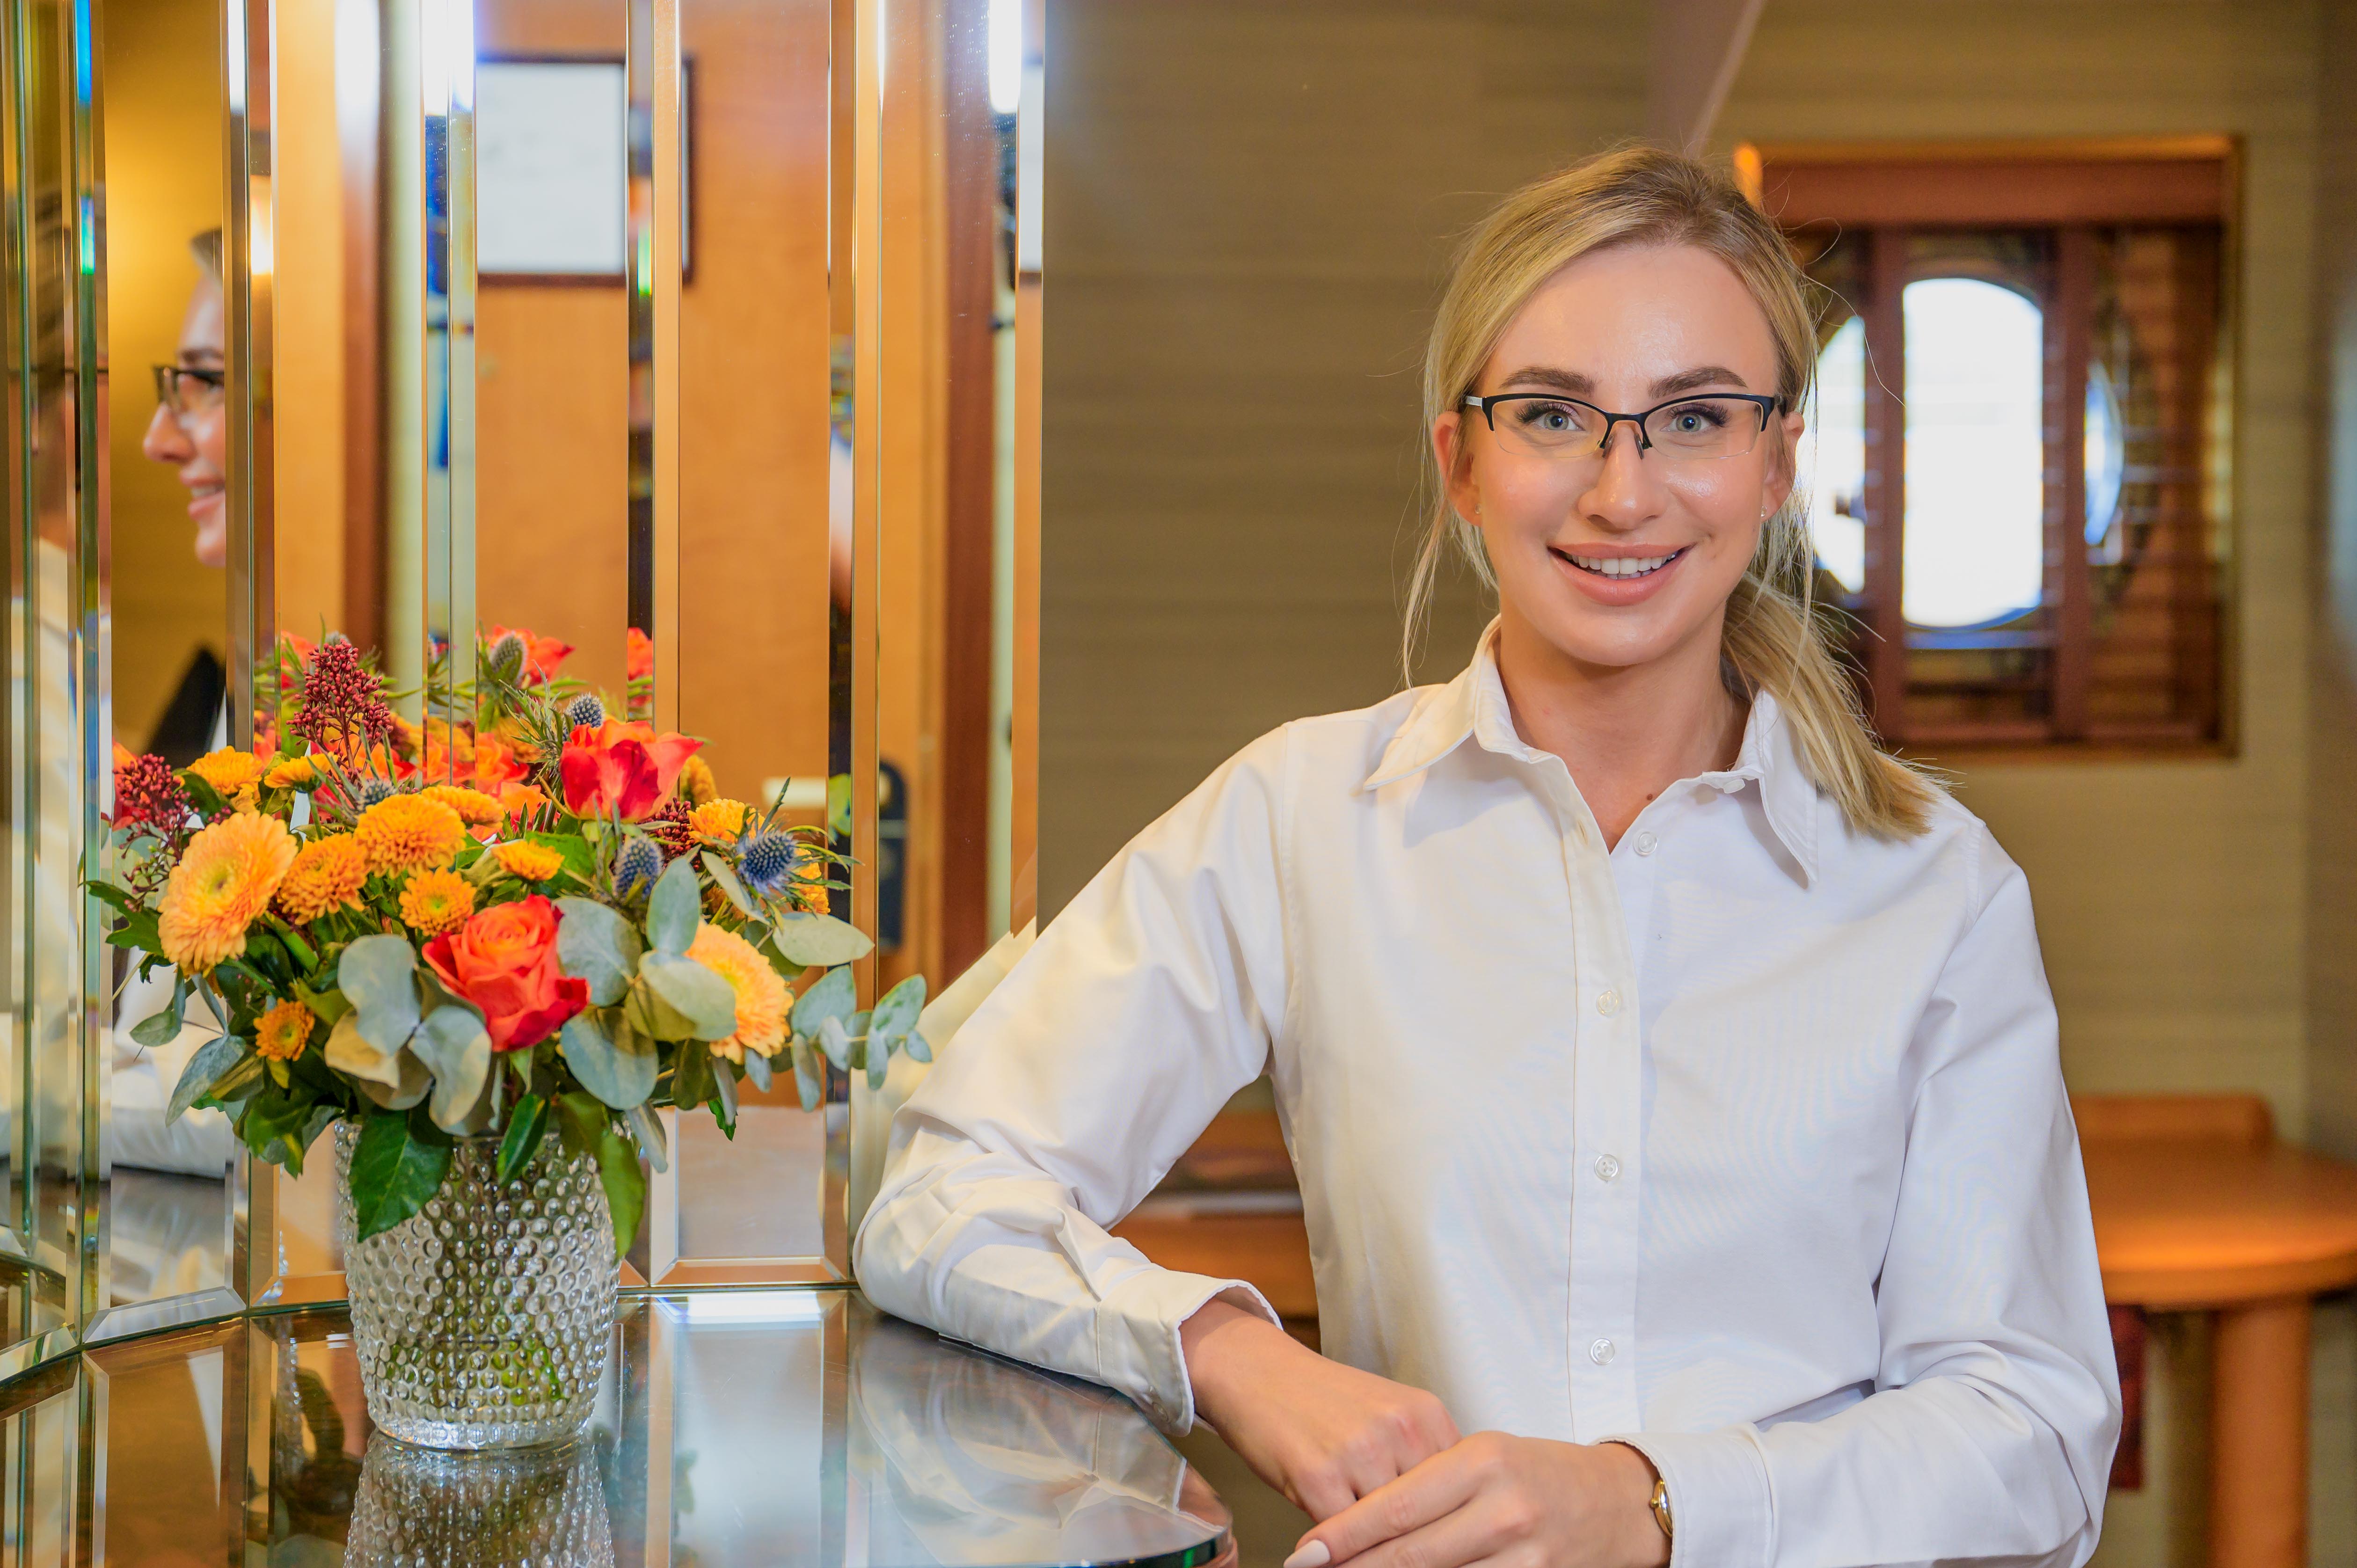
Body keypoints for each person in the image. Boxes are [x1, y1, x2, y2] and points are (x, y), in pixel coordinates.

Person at [855, 146, 2119, 1568]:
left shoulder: (1936, 889)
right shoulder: (1299, 819)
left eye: (1692, 418)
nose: (1621, 492)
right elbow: (943, 1195)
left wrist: (1656, 1506)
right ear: (1460, 460)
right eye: (1552, 416)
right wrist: (1225, 1351)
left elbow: (2032, 1432)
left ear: (1777, 460)